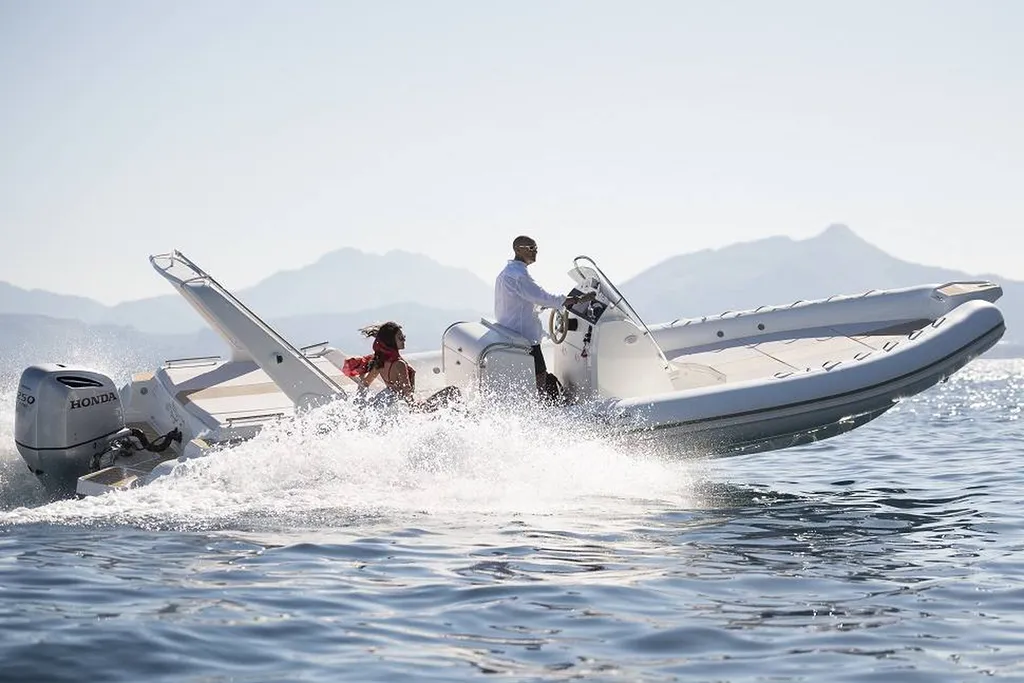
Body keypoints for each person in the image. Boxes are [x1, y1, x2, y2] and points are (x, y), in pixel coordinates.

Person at [494, 235, 594, 394]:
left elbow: (526, 300)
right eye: (531, 248)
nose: (535, 252)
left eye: (536, 249)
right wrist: (577, 299)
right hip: (525, 337)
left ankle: (542, 401)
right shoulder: (518, 275)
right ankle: (542, 407)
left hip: (512, 332)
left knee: (538, 375)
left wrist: (544, 306)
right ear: (517, 250)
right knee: (540, 375)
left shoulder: (508, 273)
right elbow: (542, 297)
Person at [342, 321, 461, 412]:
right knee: (453, 391)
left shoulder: (379, 361)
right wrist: (417, 406)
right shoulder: (399, 364)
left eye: (404, 337)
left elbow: (365, 383)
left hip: (389, 399)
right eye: (400, 338)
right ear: (391, 341)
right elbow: (407, 391)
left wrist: (362, 374)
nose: (404, 340)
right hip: (407, 406)